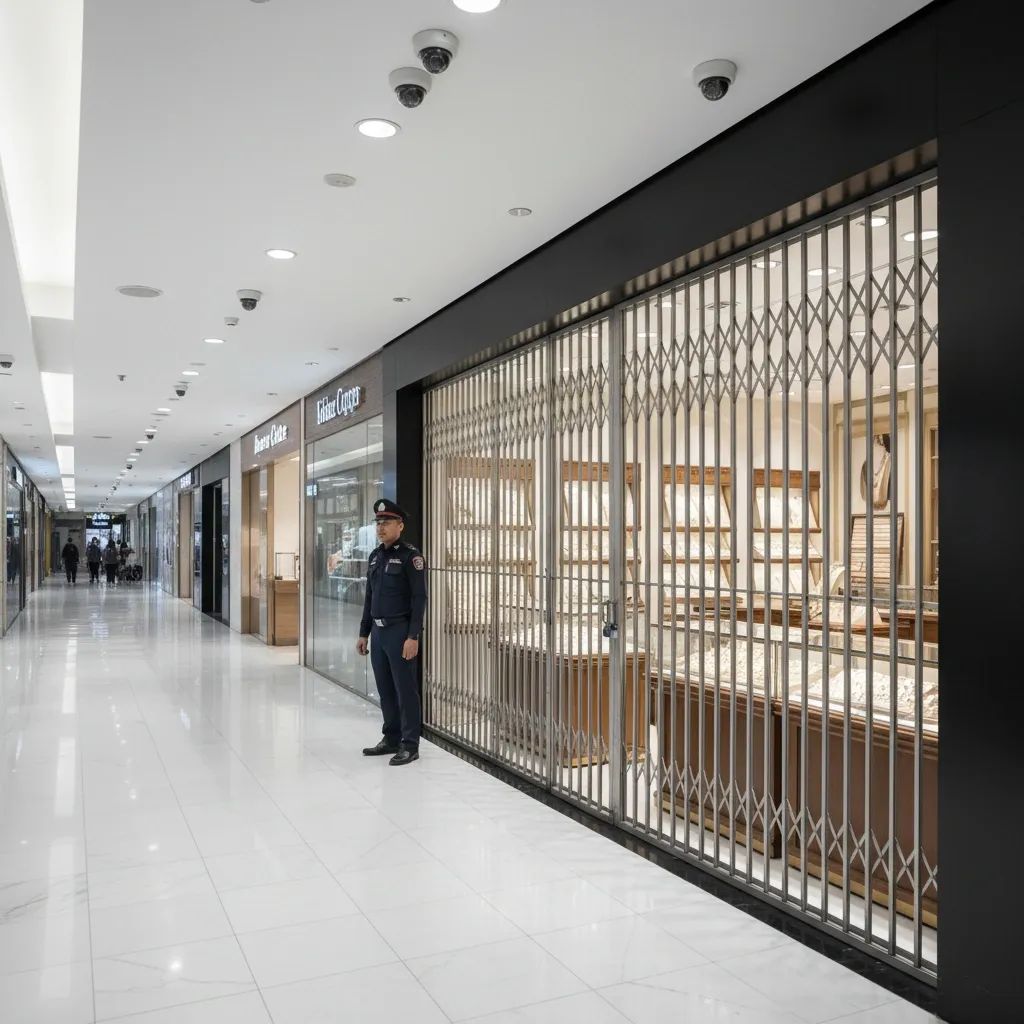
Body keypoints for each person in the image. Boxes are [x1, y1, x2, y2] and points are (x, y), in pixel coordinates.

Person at [357, 499, 427, 766]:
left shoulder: (411, 557)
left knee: (405, 689)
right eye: (378, 523)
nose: (380, 527)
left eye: (386, 522)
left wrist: (413, 636)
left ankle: (410, 744)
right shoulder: (376, 556)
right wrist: (364, 632)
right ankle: (391, 737)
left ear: (400, 525)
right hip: (379, 630)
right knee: (385, 689)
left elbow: (419, 599)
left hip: (400, 632)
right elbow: (369, 597)